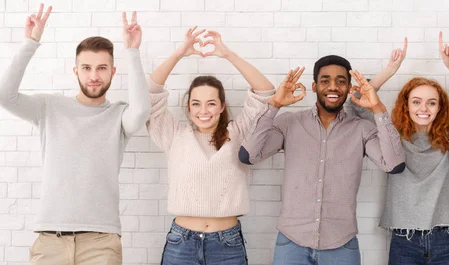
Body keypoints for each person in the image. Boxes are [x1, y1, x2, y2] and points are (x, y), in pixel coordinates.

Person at [0, 5, 150, 265]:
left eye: (102, 68)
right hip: (50, 240)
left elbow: (141, 113)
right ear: (76, 71)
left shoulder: (119, 115)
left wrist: (133, 51)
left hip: (101, 241)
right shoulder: (49, 107)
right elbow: (5, 95)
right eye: (87, 68)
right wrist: (31, 42)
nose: (94, 76)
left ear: (113, 72)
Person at [239, 50, 407, 265]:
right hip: (291, 243)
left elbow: (394, 165)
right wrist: (274, 105)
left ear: (348, 88)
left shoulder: (362, 129)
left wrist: (378, 108)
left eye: (341, 81)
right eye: (325, 80)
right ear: (314, 87)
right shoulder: (289, 123)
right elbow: (248, 155)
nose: (333, 87)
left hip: (342, 244)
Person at [145, 27, 275, 265]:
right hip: (181, 243)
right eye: (196, 104)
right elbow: (150, 94)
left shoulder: (238, 132)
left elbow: (266, 93)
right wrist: (178, 54)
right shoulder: (174, 135)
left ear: (222, 106)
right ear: (188, 108)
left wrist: (228, 55)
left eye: (211, 103)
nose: (203, 111)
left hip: (227, 243)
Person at [379, 32, 449, 265]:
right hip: (404, 238)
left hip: (447, 238)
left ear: (440, 107)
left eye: (431, 102)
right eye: (416, 101)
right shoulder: (391, 134)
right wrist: (390, 70)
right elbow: (357, 104)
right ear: (406, 105)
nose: (424, 108)